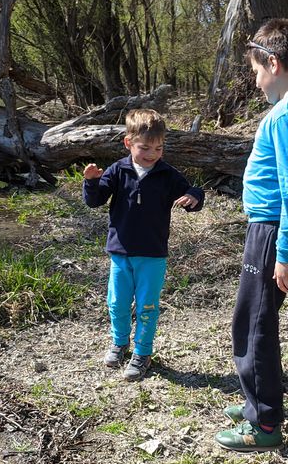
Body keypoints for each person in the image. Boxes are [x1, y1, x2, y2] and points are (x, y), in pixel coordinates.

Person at [216, 18, 288, 453]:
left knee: (253, 322)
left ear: (274, 61)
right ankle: (256, 403)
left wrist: (285, 252)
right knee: (258, 317)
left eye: (256, 68)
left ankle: (263, 423)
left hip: (272, 232)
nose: (255, 77)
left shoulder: (285, 114)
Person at [82, 109, 205, 380]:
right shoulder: (118, 170)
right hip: (120, 252)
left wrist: (193, 198)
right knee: (117, 302)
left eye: (158, 148)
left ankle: (143, 352)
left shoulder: (166, 174)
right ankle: (120, 342)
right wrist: (91, 182)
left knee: (147, 305)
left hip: (152, 254)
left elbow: (192, 191)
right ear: (128, 143)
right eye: (145, 147)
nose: (152, 154)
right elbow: (96, 200)